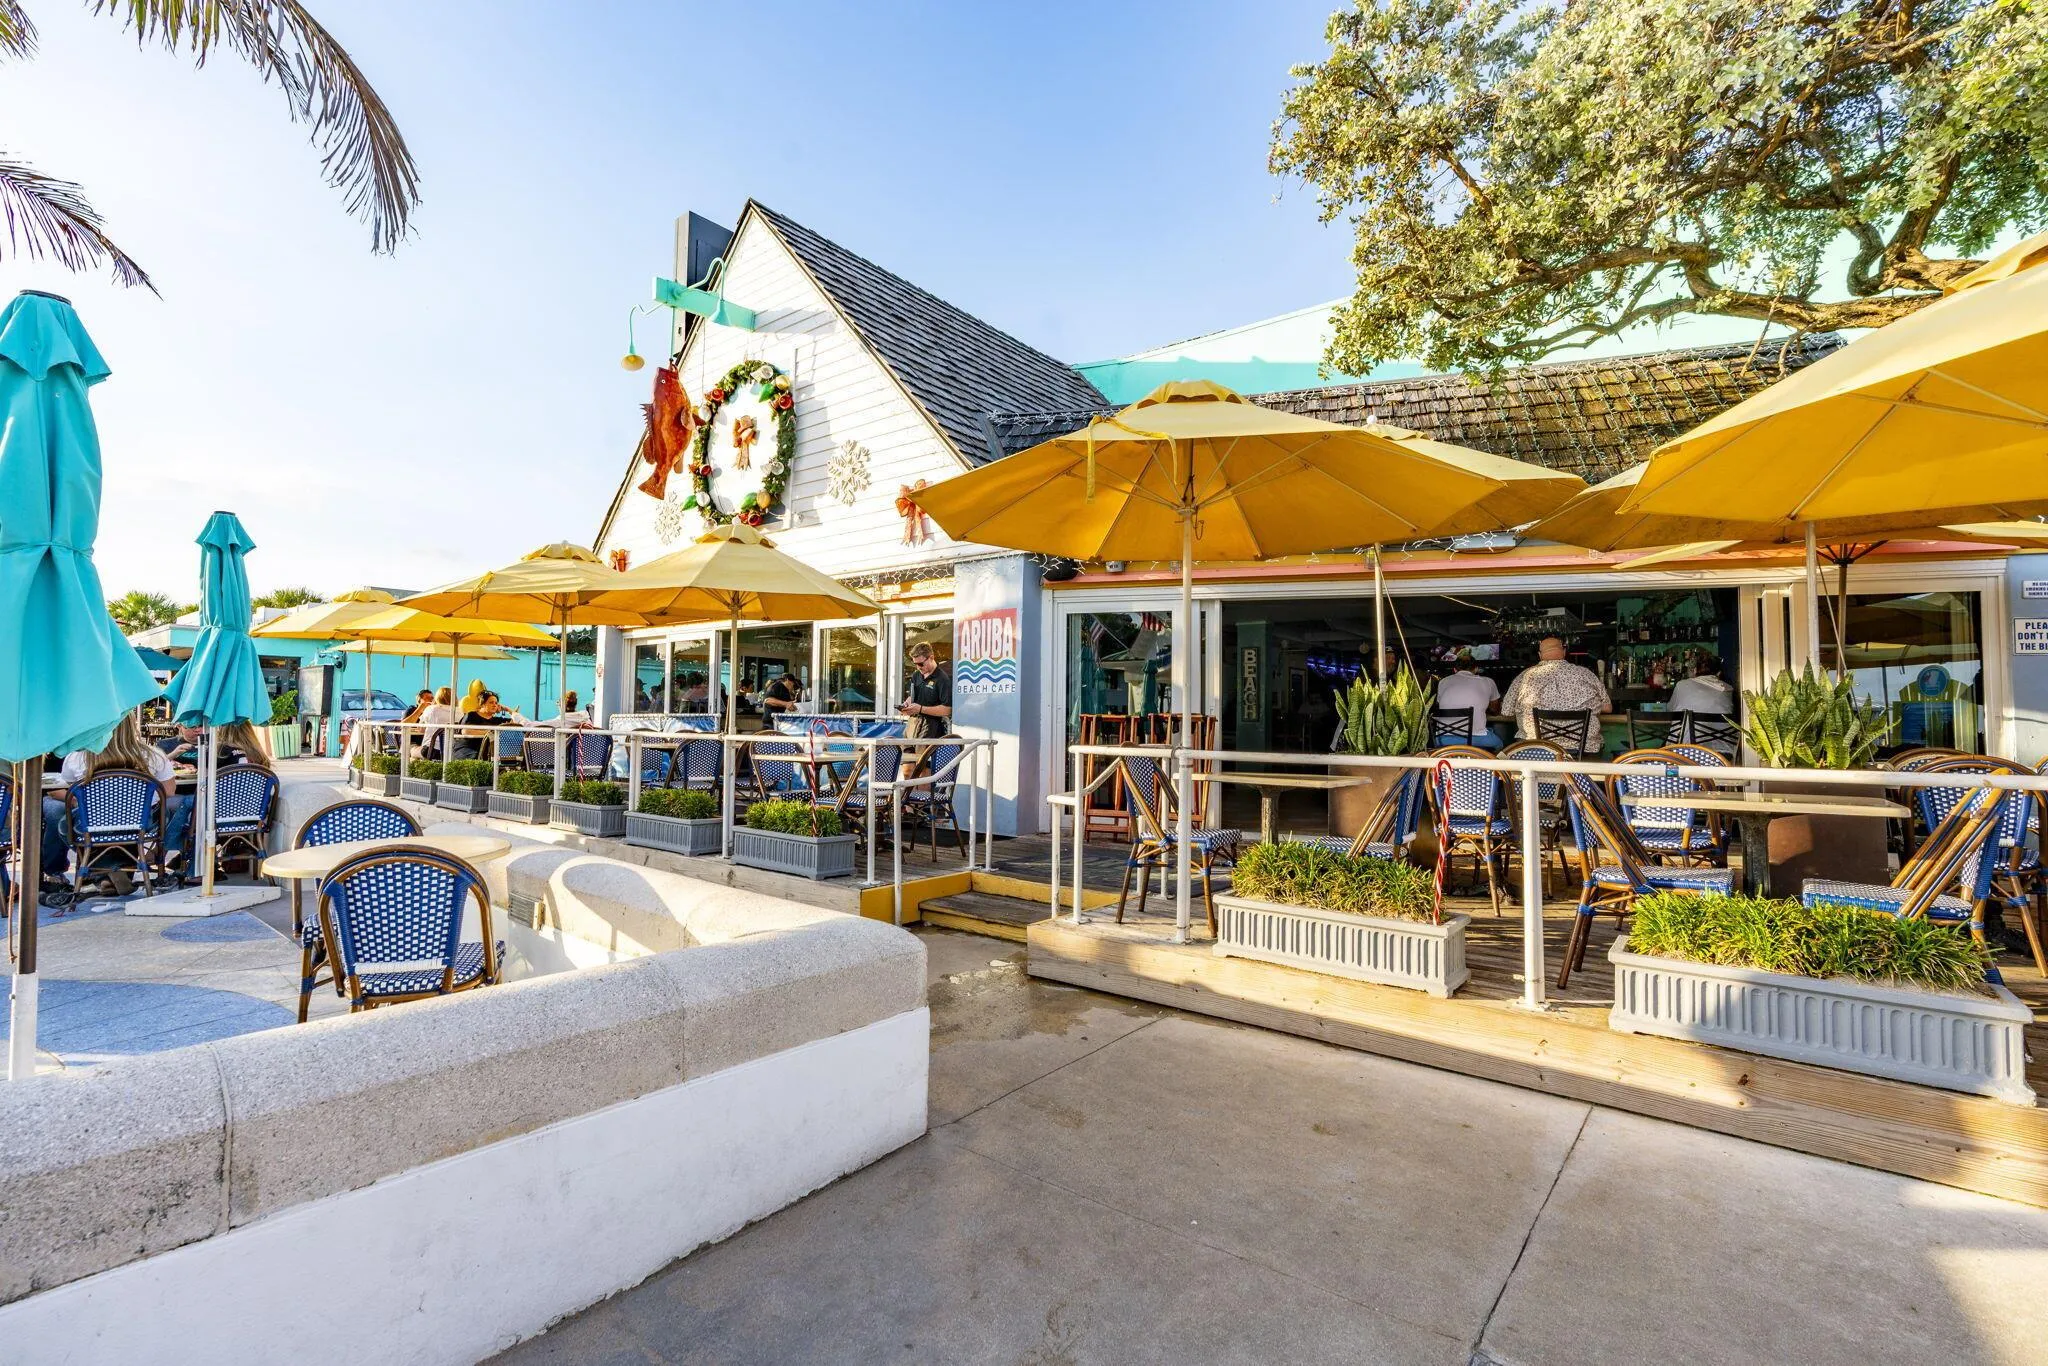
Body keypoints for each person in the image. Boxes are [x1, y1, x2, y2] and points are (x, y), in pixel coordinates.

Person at [54, 710, 195, 889]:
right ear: (131, 725)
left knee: (64, 826)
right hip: (141, 823)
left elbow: (69, 788)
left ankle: (103, 872)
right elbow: (168, 792)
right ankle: (115, 870)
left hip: (92, 823)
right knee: (156, 815)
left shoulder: (77, 757)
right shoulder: (154, 755)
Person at [1501, 637, 1610, 755]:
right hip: (1583, 750)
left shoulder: (1524, 677)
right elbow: (1608, 708)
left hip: (1536, 751)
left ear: (1540, 655)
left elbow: (1506, 711)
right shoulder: (1587, 674)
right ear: (1564, 651)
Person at [1437, 650, 1503, 750]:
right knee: (1500, 745)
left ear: (1454, 670)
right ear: (1476, 669)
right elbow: (1495, 710)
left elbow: (1440, 706)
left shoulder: (1443, 682)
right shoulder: (1488, 682)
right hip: (1475, 738)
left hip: (1442, 739)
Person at [900, 643, 952, 740]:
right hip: (913, 724)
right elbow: (912, 696)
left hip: (932, 729)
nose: (918, 667)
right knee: (905, 748)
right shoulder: (916, 675)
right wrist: (906, 705)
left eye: (921, 664)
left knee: (921, 750)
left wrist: (920, 709)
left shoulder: (943, 678)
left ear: (931, 658)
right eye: (915, 664)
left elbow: (947, 710)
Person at [1668, 656, 1737, 718]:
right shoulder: (1728, 689)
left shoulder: (1681, 685)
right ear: (1719, 673)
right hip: (1724, 728)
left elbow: (1670, 709)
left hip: (1687, 728)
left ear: (1695, 670)